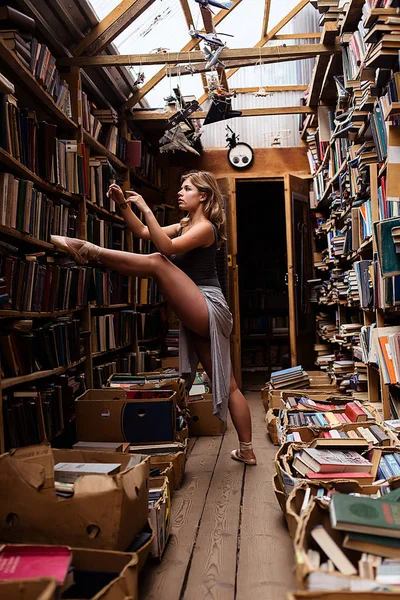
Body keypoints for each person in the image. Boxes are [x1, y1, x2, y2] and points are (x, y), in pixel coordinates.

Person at [51, 170, 256, 465]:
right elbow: (145, 233)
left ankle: (89, 250)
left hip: (208, 304)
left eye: (187, 188)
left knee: (159, 262)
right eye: (181, 187)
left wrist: (146, 207)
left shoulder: (206, 228)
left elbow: (165, 248)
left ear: (204, 196)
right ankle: (247, 450)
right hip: (195, 302)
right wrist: (124, 205)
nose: (180, 192)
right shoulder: (185, 225)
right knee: (228, 383)